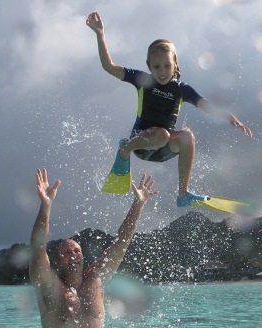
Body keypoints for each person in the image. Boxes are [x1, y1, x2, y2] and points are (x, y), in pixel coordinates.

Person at [86, 11, 252, 207]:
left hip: (163, 150)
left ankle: (183, 194)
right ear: (149, 65)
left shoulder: (181, 89)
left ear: (175, 64)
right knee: (162, 134)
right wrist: (100, 34)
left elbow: (205, 104)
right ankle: (124, 150)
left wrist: (228, 116)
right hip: (142, 144)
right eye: (156, 67)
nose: (162, 71)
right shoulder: (143, 81)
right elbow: (109, 67)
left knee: (187, 136)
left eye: (166, 65)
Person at [29, 168, 157, 328]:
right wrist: (46, 206)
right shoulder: (49, 284)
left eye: (76, 251)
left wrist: (138, 205)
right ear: (56, 261)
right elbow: (37, 249)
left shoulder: (95, 278)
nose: (73, 255)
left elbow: (121, 243)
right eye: (66, 253)